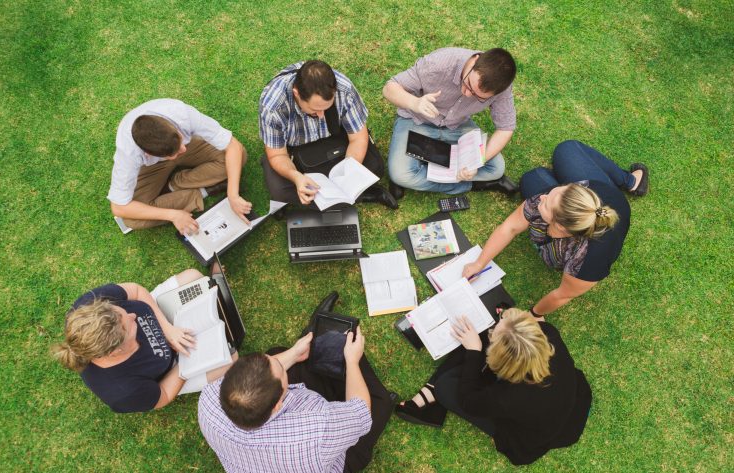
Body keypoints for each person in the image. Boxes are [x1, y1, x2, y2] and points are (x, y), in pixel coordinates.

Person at [198, 292, 396, 473]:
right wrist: (351, 360)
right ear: (277, 407)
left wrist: (292, 355)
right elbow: (360, 412)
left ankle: (320, 335)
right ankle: (333, 340)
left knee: (278, 353)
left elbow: (274, 365)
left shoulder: (208, 401)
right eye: (280, 370)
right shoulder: (316, 432)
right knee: (380, 402)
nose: (280, 364)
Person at [461, 140, 649, 318]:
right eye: (555, 192)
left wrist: (534, 314)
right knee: (554, 159)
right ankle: (627, 181)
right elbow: (509, 227)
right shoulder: (551, 199)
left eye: (547, 202)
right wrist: (479, 263)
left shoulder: (588, 261)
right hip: (591, 194)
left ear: (559, 225)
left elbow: (562, 295)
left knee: (540, 173)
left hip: (605, 202)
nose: (541, 198)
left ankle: (631, 181)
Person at [396, 308, 592, 466]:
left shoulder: (508, 397)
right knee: (479, 334)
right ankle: (427, 396)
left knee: (445, 387)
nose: (496, 326)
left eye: (495, 335)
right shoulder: (549, 333)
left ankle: (430, 394)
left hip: (528, 436)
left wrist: (474, 352)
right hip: (566, 400)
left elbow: (469, 402)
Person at [51, 266, 237, 413]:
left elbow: (136, 291)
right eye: (130, 326)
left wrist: (168, 329)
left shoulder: (87, 307)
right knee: (231, 356)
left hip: (160, 312)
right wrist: (186, 362)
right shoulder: (122, 392)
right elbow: (163, 394)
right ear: (116, 350)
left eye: (123, 312)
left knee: (195, 276)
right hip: (174, 367)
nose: (133, 316)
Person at [383, 47, 520, 198]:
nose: (467, 94)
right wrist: (415, 103)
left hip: (457, 126)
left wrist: (477, 162)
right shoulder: (440, 62)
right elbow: (390, 88)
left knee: (496, 168)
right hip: (417, 121)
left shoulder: (502, 88)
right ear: (475, 60)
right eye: (468, 84)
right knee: (400, 174)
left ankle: (424, 168)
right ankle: (472, 184)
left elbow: (506, 128)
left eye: (477, 96)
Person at [259, 60, 398, 209]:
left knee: (374, 166)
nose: (321, 116)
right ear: (296, 94)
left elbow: (358, 138)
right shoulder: (273, 107)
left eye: (327, 108)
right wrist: (296, 177)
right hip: (295, 152)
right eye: (314, 110)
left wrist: (348, 172)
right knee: (280, 191)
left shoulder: (344, 89)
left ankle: (341, 197)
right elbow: (277, 155)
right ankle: (361, 194)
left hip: (335, 141)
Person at [108, 98, 250, 235]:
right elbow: (119, 207)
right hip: (152, 167)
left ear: (173, 127)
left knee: (239, 156)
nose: (182, 151)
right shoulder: (128, 154)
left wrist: (233, 195)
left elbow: (233, 146)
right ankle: (204, 191)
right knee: (132, 220)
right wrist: (173, 215)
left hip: (191, 145)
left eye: (180, 140)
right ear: (147, 153)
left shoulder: (181, 113)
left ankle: (174, 185)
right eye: (173, 154)